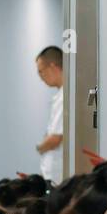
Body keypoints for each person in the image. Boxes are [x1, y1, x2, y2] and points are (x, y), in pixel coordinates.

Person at [34, 46, 65, 184]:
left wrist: (40, 147)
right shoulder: (60, 96)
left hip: (57, 178)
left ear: (53, 67)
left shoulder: (66, 97)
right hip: (52, 176)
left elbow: (55, 138)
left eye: (41, 72)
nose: (41, 78)